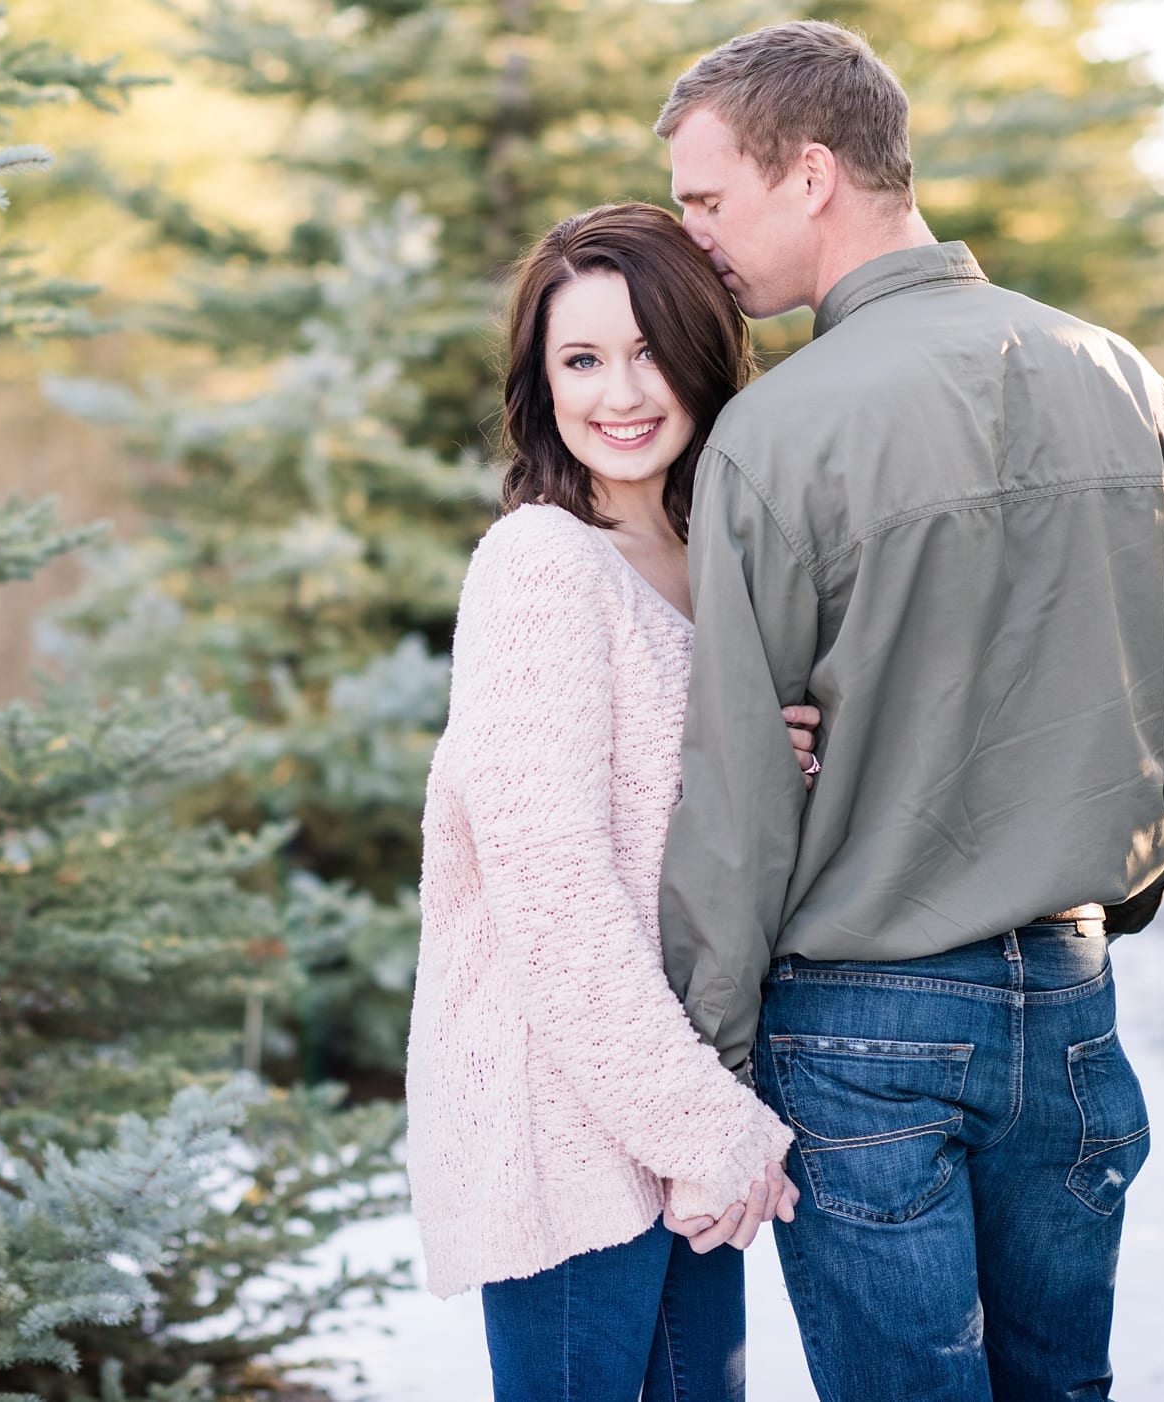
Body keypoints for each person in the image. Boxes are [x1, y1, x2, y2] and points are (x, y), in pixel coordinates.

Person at [651, 21, 1164, 1402]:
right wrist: (1101, 895)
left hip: (857, 1024)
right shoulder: (1124, 377)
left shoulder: (777, 429)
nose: (697, 242)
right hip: (1072, 1000)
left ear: (810, 175)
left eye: (708, 201)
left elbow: (742, 794)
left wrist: (716, 1064)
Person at [404, 201, 814, 1402]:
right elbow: (556, 895)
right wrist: (708, 1129)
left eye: (647, 352)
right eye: (581, 359)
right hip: (571, 1134)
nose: (619, 393)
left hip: (676, 1104)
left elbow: (677, 815)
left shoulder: (715, 557)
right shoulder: (541, 565)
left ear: (701, 355)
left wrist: (783, 756)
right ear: (541, 380)